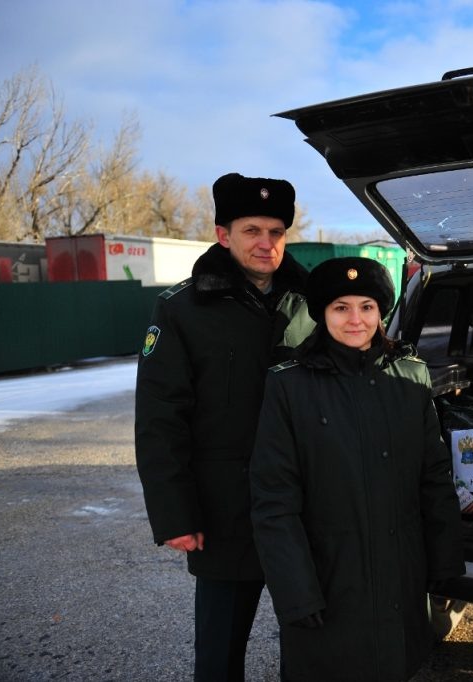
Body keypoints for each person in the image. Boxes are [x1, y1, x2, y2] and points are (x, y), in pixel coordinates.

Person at [134, 172, 315, 681]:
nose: (266, 243)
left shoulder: (311, 304)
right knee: (219, 653)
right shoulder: (182, 309)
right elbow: (159, 418)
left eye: (276, 232)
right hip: (224, 509)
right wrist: (174, 513)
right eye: (252, 230)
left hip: (304, 506)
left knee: (312, 641)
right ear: (223, 235)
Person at [250, 256, 465, 682]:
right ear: (322, 314)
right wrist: (296, 592)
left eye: (366, 307)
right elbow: (274, 500)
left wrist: (444, 564)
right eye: (341, 308)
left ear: (381, 312)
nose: (355, 320)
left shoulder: (410, 377)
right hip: (327, 579)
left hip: (400, 576)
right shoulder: (288, 385)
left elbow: (434, 478)